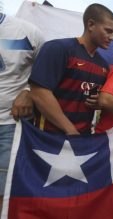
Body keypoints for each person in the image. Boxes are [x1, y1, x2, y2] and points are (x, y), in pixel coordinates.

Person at [29, 4, 113, 135]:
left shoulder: (104, 65)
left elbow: (97, 98)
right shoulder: (57, 48)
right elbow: (39, 92)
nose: (112, 37)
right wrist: (70, 129)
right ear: (91, 25)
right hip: (47, 137)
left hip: (82, 139)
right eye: (108, 31)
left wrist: (99, 102)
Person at [0, 13, 44, 213]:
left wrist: (29, 91)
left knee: (5, 192)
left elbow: (46, 73)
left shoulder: (28, 32)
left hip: (10, 124)